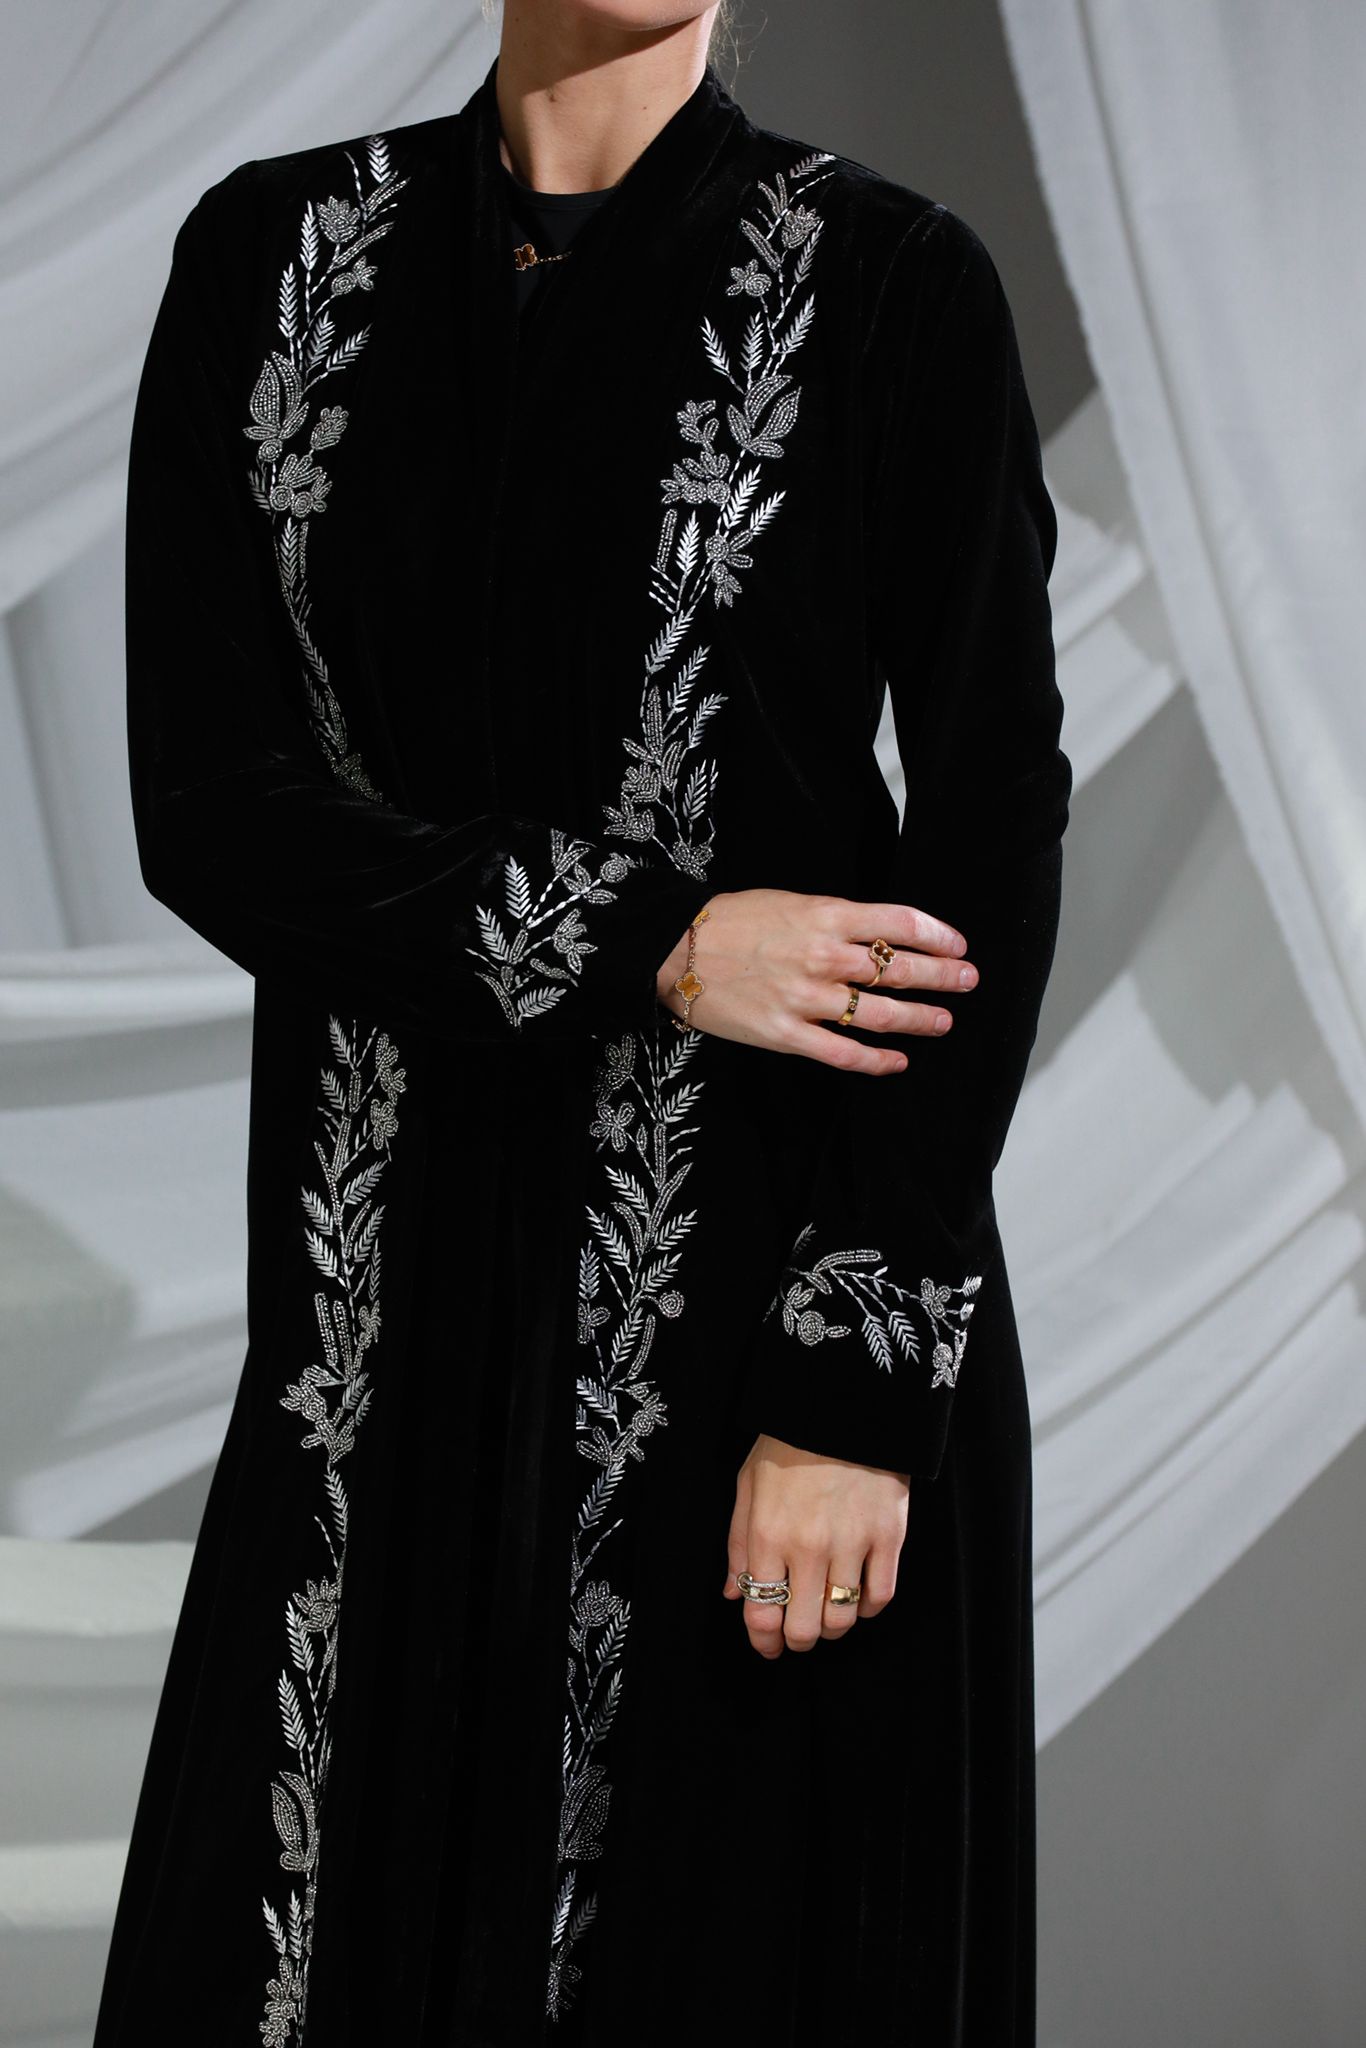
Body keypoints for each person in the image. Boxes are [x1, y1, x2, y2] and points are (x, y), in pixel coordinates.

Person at [92, 3, 1070, 2043]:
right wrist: (654, 941)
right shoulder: (276, 257)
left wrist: (854, 1393)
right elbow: (214, 805)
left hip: (754, 1322)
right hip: (382, 1330)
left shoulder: (888, 281)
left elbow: (987, 832)